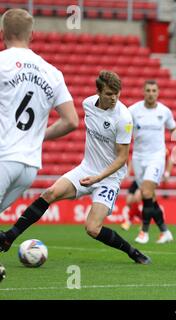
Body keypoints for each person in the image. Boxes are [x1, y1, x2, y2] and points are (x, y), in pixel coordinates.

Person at [0, 70, 150, 265]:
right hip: (86, 169)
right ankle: (10, 236)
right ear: (98, 92)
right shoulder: (88, 104)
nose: (113, 98)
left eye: (116, 93)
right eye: (108, 94)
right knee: (49, 193)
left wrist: (98, 178)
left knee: (93, 228)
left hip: (108, 178)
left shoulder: (124, 118)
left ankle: (132, 252)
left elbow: (122, 158)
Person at [0, 8, 78, 274]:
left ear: (2, 33)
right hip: (29, 167)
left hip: (3, 157)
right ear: (32, 35)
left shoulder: (2, 63)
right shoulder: (52, 72)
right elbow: (71, 121)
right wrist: (35, 136)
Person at [129, 80, 176, 244]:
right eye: (148, 90)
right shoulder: (133, 110)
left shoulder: (164, 111)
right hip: (138, 157)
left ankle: (143, 232)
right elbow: (123, 127)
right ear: (143, 92)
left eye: (154, 90)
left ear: (158, 92)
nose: (151, 93)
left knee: (145, 192)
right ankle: (165, 231)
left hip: (156, 157)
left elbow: (173, 127)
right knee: (150, 197)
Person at [121, 147, 174, 234]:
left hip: (149, 178)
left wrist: (167, 173)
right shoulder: (144, 146)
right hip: (138, 178)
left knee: (137, 197)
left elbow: (170, 160)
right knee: (129, 201)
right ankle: (143, 218)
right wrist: (128, 172)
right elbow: (132, 159)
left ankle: (129, 221)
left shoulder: (163, 149)